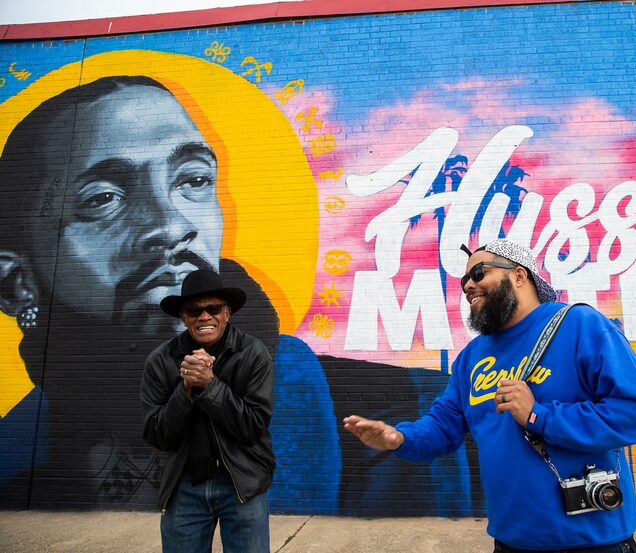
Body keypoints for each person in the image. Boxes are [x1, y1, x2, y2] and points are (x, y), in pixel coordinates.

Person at [0, 75, 469, 515]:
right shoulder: (18, 456)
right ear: (15, 282)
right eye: (104, 197)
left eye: (193, 180)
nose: (170, 224)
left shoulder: (406, 416)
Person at [345, 238, 636, 552]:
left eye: (479, 272)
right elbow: (443, 426)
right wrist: (399, 438)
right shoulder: (471, 358)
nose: (468, 285)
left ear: (520, 276)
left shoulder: (581, 326)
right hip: (512, 543)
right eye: (464, 280)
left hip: (593, 543)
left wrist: (539, 415)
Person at [141, 269, 274, 552]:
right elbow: (157, 436)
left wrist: (210, 385)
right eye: (194, 311)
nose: (204, 317)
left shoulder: (252, 353)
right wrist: (186, 390)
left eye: (213, 309)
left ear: (227, 313)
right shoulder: (160, 361)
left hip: (242, 483)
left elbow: (253, 425)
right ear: (183, 317)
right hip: (184, 486)